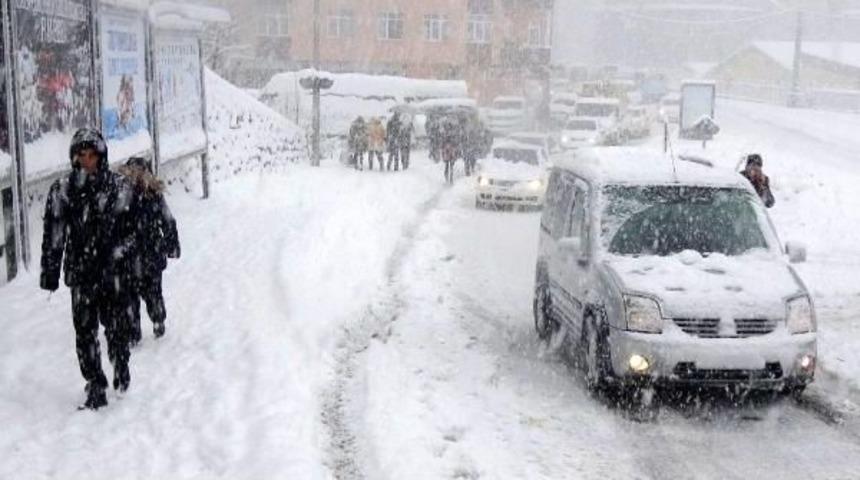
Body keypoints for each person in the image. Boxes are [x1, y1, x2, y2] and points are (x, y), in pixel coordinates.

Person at [40, 128, 136, 410]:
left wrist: (120, 256)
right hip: (81, 273)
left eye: (92, 155)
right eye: (81, 155)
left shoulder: (118, 187)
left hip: (112, 272)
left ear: (101, 156)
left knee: (117, 327)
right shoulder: (63, 189)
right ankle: (95, 384)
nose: (87, 161)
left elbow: (133, 231)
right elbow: (54, 233)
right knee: (84, 333)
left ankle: (120, 365)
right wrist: (50, 272)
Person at [119, 157, 180, 345]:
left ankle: (158, 319)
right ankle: (132, 332)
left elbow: (168, 221)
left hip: (151, 255)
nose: (136, 177)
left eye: (140, 173)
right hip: (129, 256)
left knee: (153, 294)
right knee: (129, 297)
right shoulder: (122, 197)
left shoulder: (154, 195)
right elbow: (113, 224)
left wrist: (171, 245)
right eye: (133, 173)